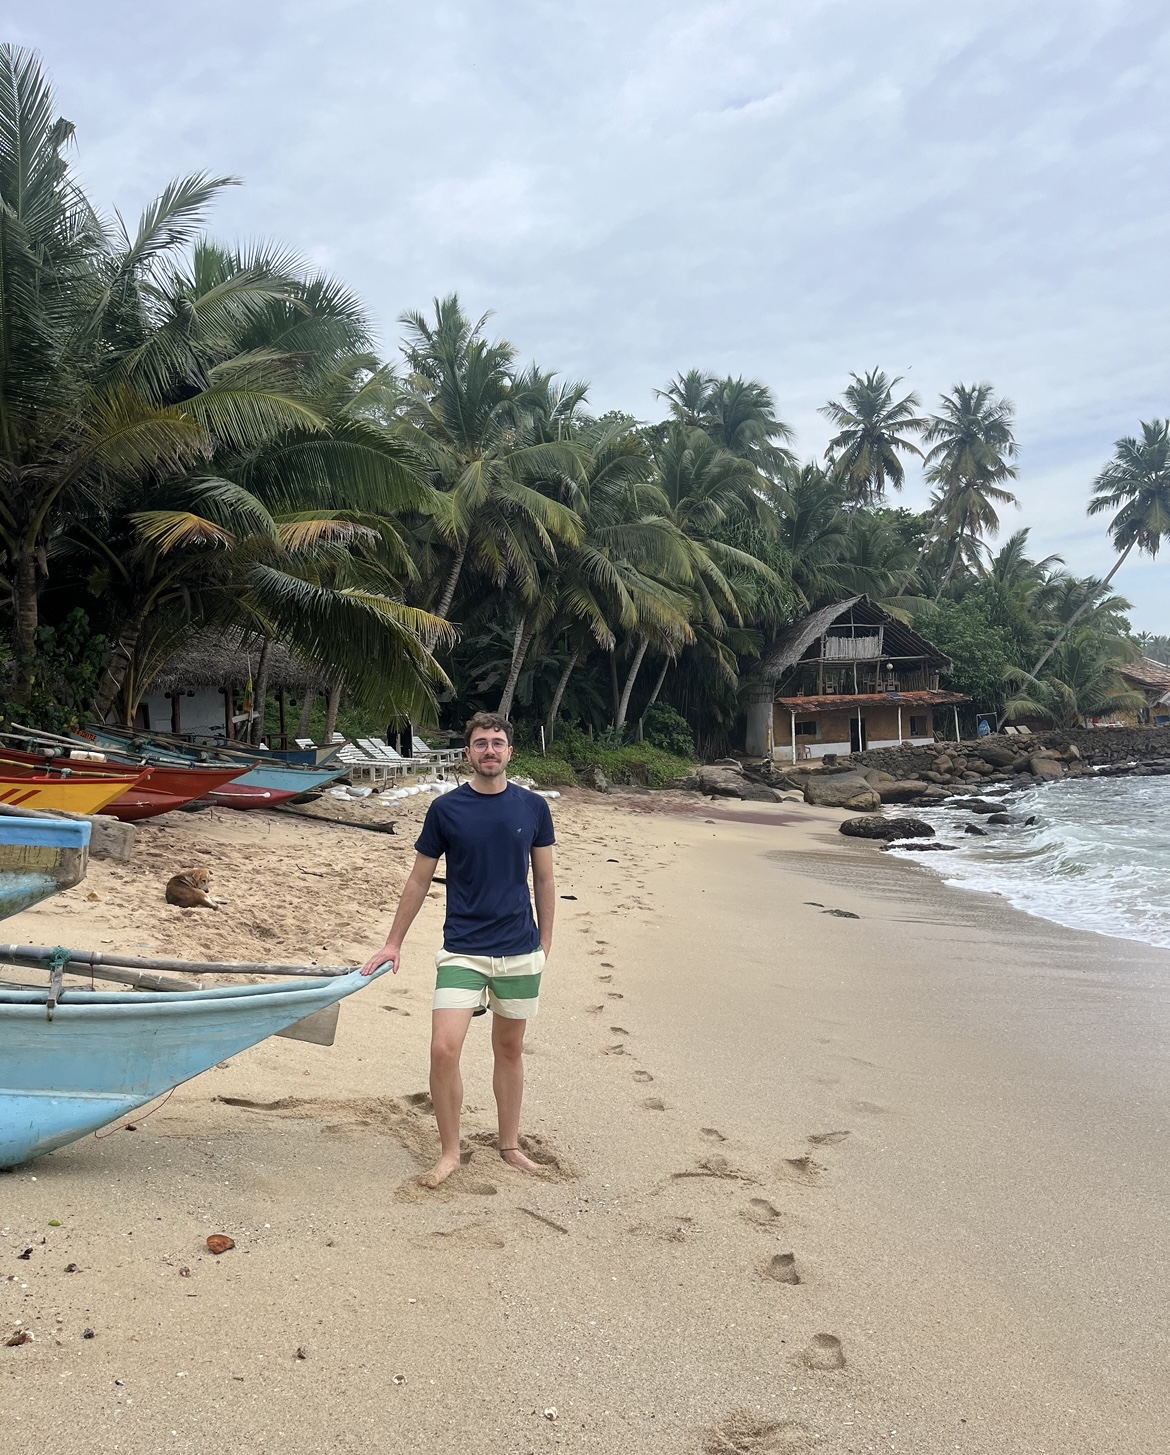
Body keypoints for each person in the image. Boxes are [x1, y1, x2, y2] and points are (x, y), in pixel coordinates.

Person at [360, 711, 555, 1188]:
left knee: (509, 1048)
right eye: (481, 743)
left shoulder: (532, 808)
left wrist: (545, 945)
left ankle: (509, 1145)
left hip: (518, 949)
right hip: (463, 949)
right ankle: (450, 1152)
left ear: (510, 751)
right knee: (444, 1049)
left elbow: (545, 879)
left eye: (498, 742)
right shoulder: (446, 810)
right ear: (468, 753)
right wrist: (392, 942)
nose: (490, 750)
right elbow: (418, 879)